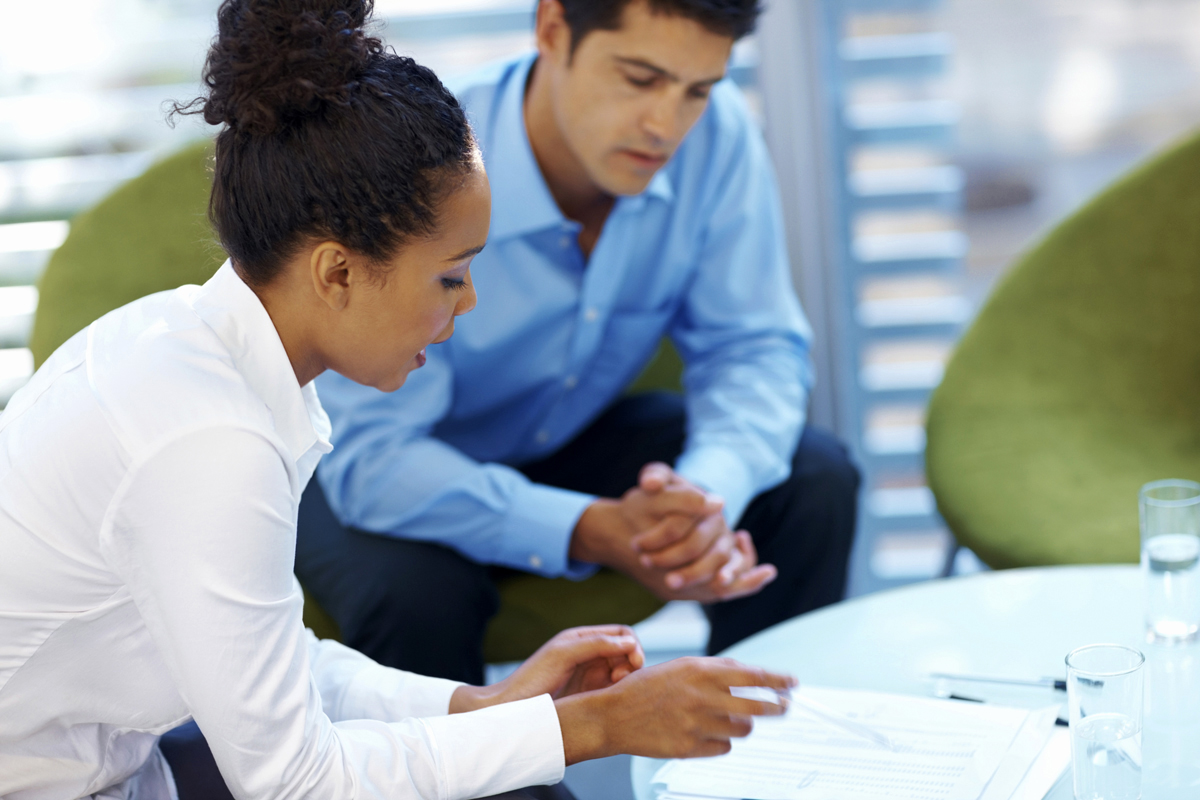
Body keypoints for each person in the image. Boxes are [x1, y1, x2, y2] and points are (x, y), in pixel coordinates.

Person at [0, 2, 796, 798]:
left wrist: (481, 705)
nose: (471, 303)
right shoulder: (209, 441)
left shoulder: (197, 348)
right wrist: (593, 728)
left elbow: (276, 660)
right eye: (450, 276)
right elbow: (296, 780)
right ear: (337, 273)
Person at [299, 0, 860, 685]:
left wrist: (703, 501)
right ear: (553, 30)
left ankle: (760, 759)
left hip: (557, 436)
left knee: (814, 478)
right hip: (364, 462)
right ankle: (488, 790)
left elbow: (753, 348)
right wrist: (591, 528)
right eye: (639, 78)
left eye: (696, 91)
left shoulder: (716, 139)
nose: (666, 126)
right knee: (413, 594)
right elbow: (377, 459)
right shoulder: (415, 160)